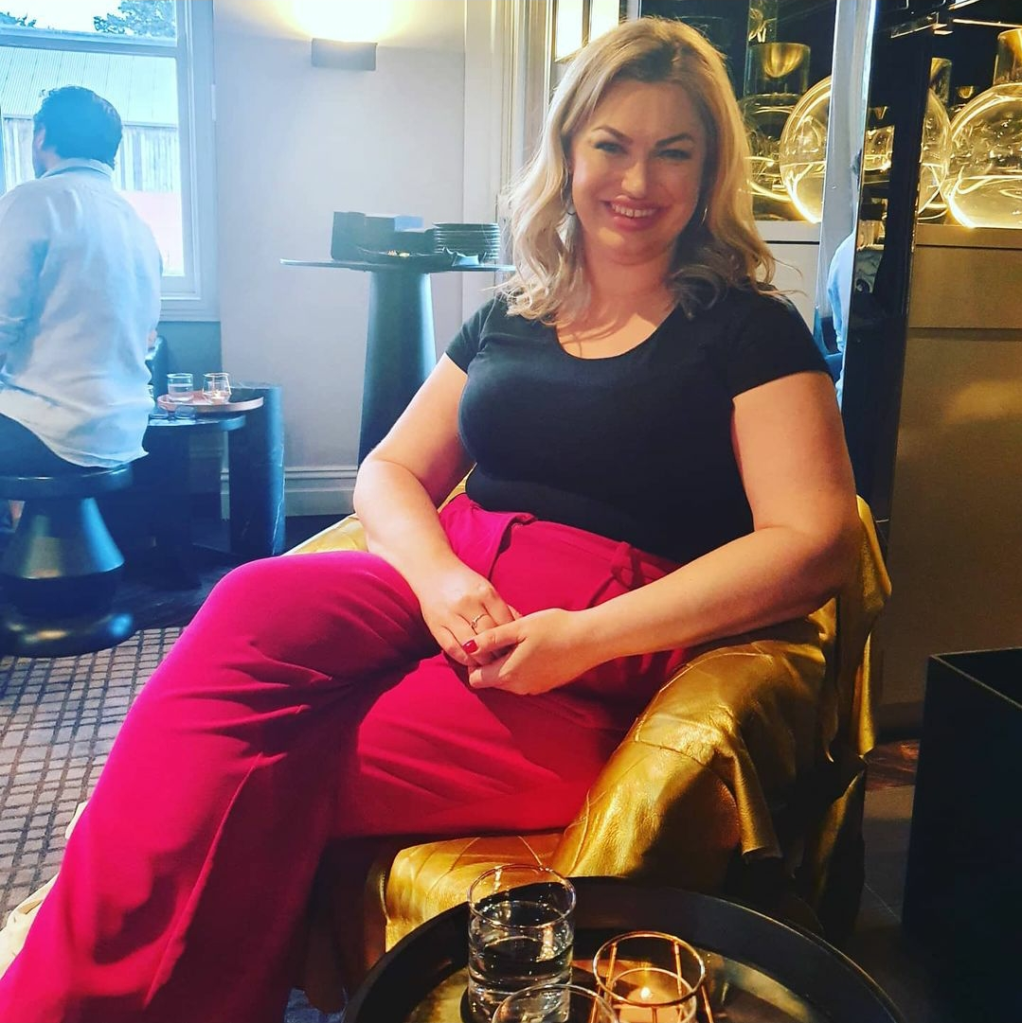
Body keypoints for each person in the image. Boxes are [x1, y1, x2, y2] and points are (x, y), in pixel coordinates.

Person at [0, 18, 859, 1023]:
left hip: (587, 638)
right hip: (446, 576)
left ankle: (66, 1000)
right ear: (567, 151)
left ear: (710, 172)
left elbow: (814, 541)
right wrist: (438, 576)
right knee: (246, 608)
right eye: (611, 145)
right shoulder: (513, 311)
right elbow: (391, 469)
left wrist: (588, 637)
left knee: (246, 764)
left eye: (673, 151)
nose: (637, 180)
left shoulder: (750, 328)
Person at [0, 86, 162, 479]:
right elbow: (147, 337)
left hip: (47, 429)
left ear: (41, 136)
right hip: (123, 429)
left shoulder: (33, 200)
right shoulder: (138, 225)